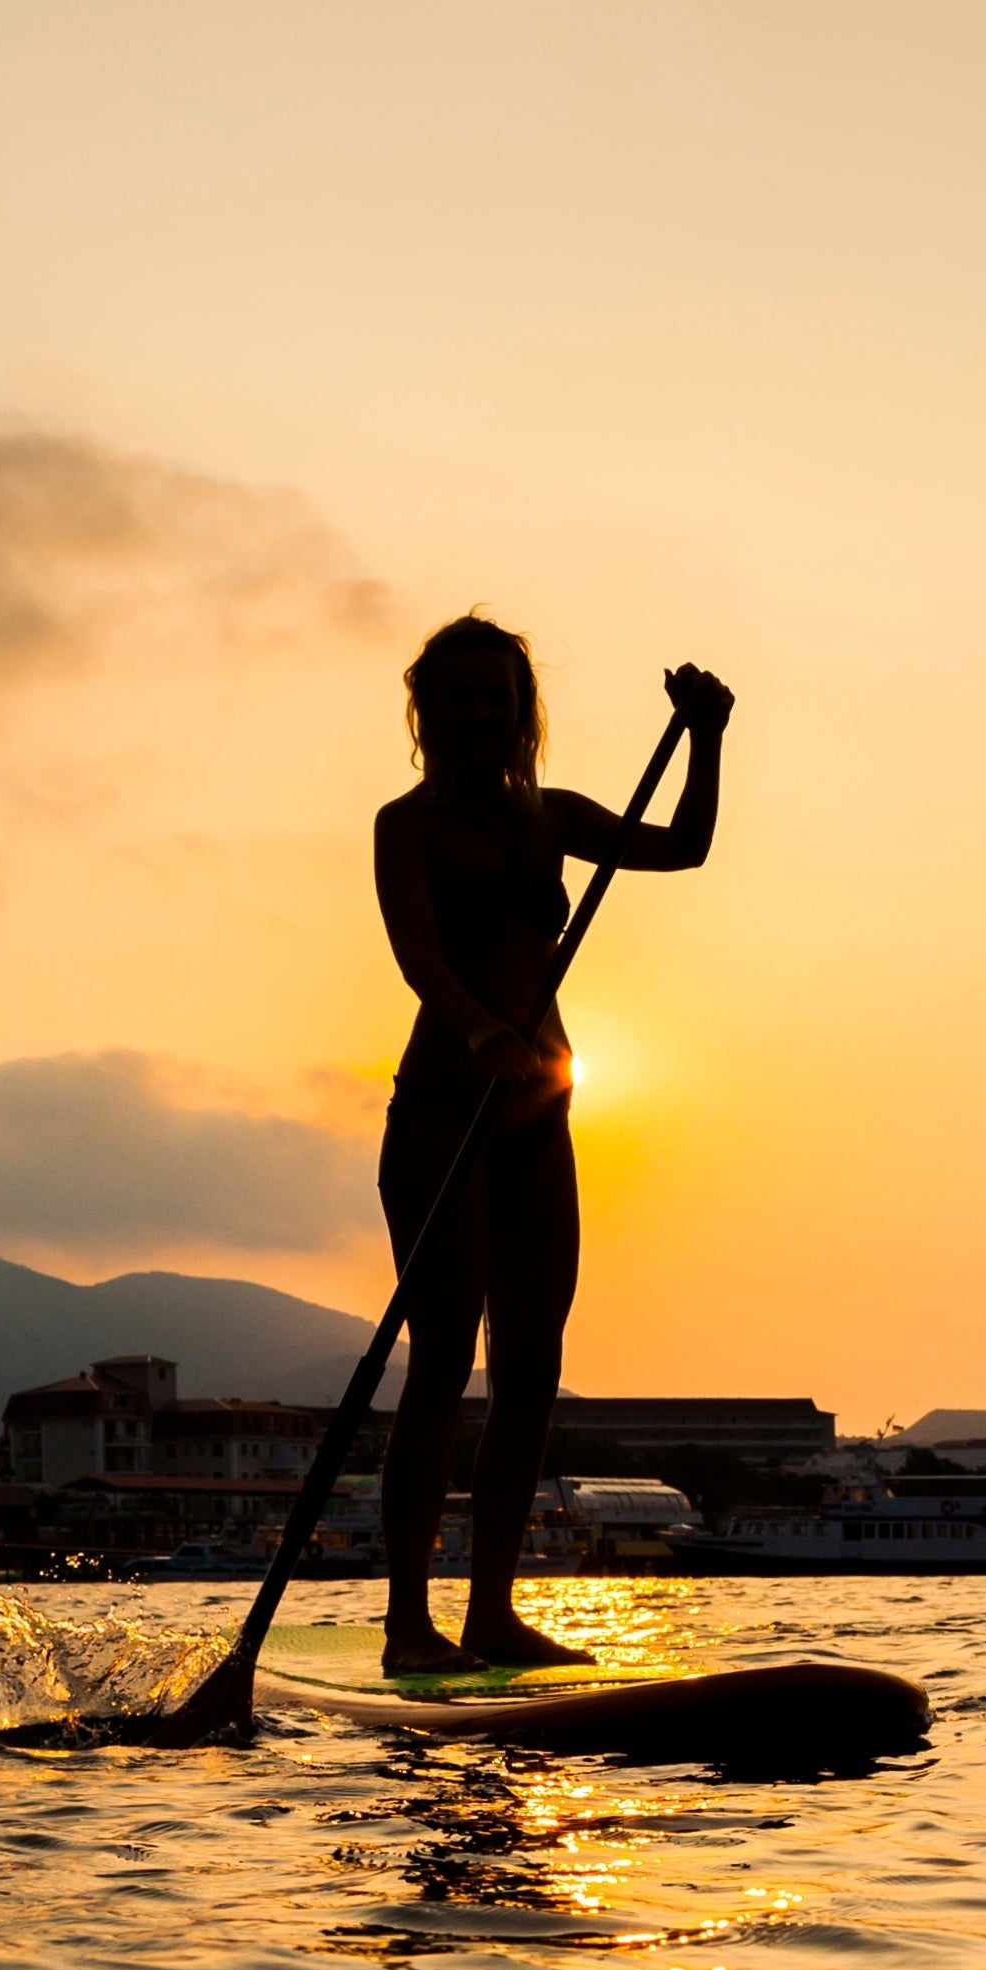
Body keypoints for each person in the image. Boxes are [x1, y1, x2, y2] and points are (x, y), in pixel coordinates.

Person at [372, 614, 727, 1671]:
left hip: (540, 1120)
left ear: (524, 712)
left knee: (530, 1368)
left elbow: (687, 847)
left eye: (500, 696)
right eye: (460, 698)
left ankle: (491, 1613)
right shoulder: (408, 824)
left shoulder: (553, 819)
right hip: (445, 1108)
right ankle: (405, 1623)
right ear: (427, 714)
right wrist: (479, 1025)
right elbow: (418, 952)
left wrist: (706, 738)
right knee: (441, 1359)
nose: (483, 713)